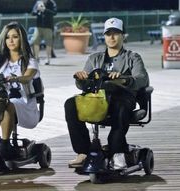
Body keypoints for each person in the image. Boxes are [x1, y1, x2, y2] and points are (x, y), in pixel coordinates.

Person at [64, 18, 149, 170]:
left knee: (120, 107)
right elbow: (84, 85)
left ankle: (117, 152)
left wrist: (123, 79)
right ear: (104, 36)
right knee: (70, 104)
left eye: (116, 33)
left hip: (122, 97)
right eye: (108, 33)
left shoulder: (132, 57)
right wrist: (81, 78)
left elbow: (142, 79)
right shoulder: (94, 58)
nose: (112, 37)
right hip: (97, 98)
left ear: (123, 35)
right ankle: (83, 151)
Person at [0, 22, 40, 160]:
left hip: (24, 104)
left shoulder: (29, 60)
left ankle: (5, 146)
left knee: (7, 105)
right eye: (7, 37)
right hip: (3, 99)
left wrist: (16, 78)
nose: (10, 41)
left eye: (15, 37)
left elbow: (27, 77)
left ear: (21, 39)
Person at [32, 0, 57, 65]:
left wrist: (45, 10)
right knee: (35, 41)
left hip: (48, 26)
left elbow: (54, 13)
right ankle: (36, 58)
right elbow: (33, 13)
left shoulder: (51, 2)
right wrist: (38, 10)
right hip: (39, 26)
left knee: (48, 43)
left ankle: (48, 59)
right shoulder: (38, 2)